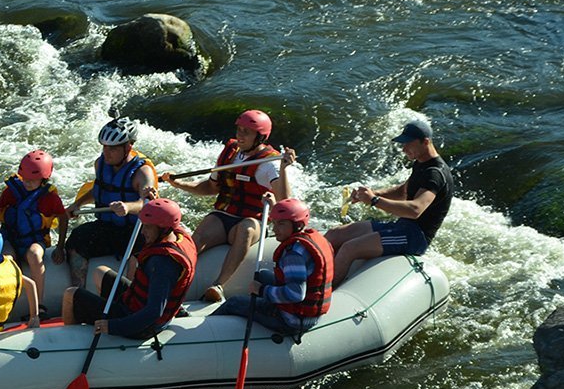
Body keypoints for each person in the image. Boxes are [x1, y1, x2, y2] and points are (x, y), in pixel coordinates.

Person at [164, 109, 297, 302]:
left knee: (246, 229)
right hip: (225, 216)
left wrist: (284, 168)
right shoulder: (230, 153)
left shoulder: (269, 164)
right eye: (239, 129)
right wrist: (180, 184)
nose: (240, 135)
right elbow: (211, 187)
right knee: (201, 232)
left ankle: (218, 286)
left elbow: (285, 200)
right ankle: (171, 280)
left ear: (260, 137)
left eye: (247, 132)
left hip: (253, 220)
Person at [325, 118, 454, 285]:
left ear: (425, 142)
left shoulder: (435, 174)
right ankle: (308, 273)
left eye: (408, 143)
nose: (403, 148)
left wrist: (374, 200)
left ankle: (322, 295)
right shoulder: (421, 164)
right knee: (336, 234)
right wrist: (371, 194)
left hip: (414, 237)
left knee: (350, 248)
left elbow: (415, 210)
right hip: (400, 227)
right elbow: (402, 191)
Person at [62, 198, 197, 340]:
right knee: (100, 272)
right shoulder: (178, 236)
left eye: (148, 227)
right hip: (135, 304)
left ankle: (69, 340)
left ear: (164, 229)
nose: (142, 231)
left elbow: (153, 312)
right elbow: (165, 212)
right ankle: (107, 316)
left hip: (142, 324)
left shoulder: (163, 262)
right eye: (143, 225)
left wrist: (114, 326)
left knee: (71, 294)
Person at [61, 117, 158, 292]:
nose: (106, 152)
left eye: (112, 148)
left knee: (140, 251)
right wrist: (78, 204)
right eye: (104, 146)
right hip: (107, 226)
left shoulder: (142, 173)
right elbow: (100, 189)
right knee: (77, 239)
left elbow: (146, 204)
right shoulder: (100, 164)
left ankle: (131, 297)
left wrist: (128, 207)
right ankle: (78, 292)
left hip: (135, 230)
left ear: (128, 147)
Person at [217, 198, 334, 338]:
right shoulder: (314, 239)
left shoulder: (293, 254)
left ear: (297, 225)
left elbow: (296, 294)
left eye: (281, 224)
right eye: (274, 223)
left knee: (234, 302)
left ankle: (206, 331)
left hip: (291, 320)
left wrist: (261, 290)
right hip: (308, 313)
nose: (275, 229)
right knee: (263, 275)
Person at [0, 149, 67, 311]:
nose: (27, 182)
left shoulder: (50, 198)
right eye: (25, 178)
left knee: (34, 256)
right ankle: (2, 304)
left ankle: (39, 304)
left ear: (44, 178)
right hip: (10, 238)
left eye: (33, 179)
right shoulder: (11, 191)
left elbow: (63, 218)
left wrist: (60, 246)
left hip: (35, 240)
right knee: (5, 259)